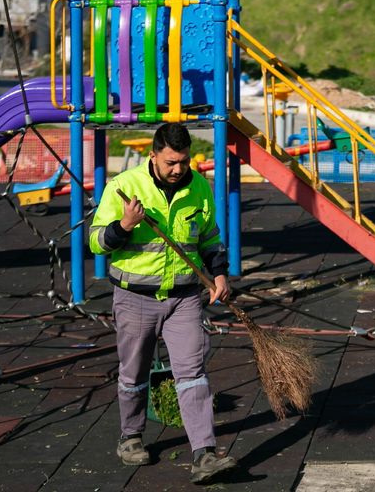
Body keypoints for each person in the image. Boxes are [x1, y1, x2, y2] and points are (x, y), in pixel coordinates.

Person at [89, 122, 237, 484]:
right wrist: (124, 225)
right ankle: (131, 436)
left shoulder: (200, 187)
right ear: (152, 155)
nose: (178, 169)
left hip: (184, 298)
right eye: (171, 162)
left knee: (192, 372)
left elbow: (210, 239)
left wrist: (219, 275)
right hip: (135, 297)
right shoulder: (123, 187)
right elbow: (96, 242)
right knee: (133, 372)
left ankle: (203, 453)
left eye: (183, 161)